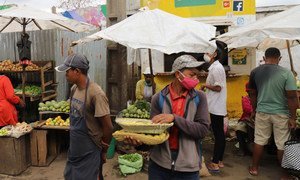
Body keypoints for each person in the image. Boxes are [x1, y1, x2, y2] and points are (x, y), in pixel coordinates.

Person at [128, 54, 210, 180]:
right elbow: (153, 134)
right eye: (192, 75)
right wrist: (139, 143)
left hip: (188, 169)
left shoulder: (200, 97)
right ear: (178, 75)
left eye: (197, 75)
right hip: (159, 167)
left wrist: (174, 118)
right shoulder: (158, 98)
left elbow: (202, 130)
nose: (196, 78)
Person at [55, 54, 113, 180]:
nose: (65, 74)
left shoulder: (96, 94)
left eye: (67, 71)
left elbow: (108, 127)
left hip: (91, 150)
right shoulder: (74, 89)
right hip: (75, 149)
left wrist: (104, 150)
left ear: (77, 71)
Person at [248, 47, 299, 176]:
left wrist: (254, 110)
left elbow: (252, 93)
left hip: (262, 112)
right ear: (280, 59)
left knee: (259, 140)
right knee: (282, 144)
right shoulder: (287, 73)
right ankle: (284, 175)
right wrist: (293, 118)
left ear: (264, 58)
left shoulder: (254, 72)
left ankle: (254, 168)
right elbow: (292, 97)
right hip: (281, 113)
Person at [201, 48, 227, 172]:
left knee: (218, 134)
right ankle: (219, 160)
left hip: (216, 106)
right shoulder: (215, 67)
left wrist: (205, 85)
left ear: (215, 54)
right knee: (219, 133)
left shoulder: (216, 68)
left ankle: (215, 163)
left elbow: (218, 88)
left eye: (207, 53)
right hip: (215, 105)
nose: (205, 55)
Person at [235, 82, 254, 156]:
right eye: (249, 91)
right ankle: (242, 148)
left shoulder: (260, 98)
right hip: (246, 119)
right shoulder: (245, 99)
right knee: (239, 128)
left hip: (258, 119)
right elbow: (247, 109)